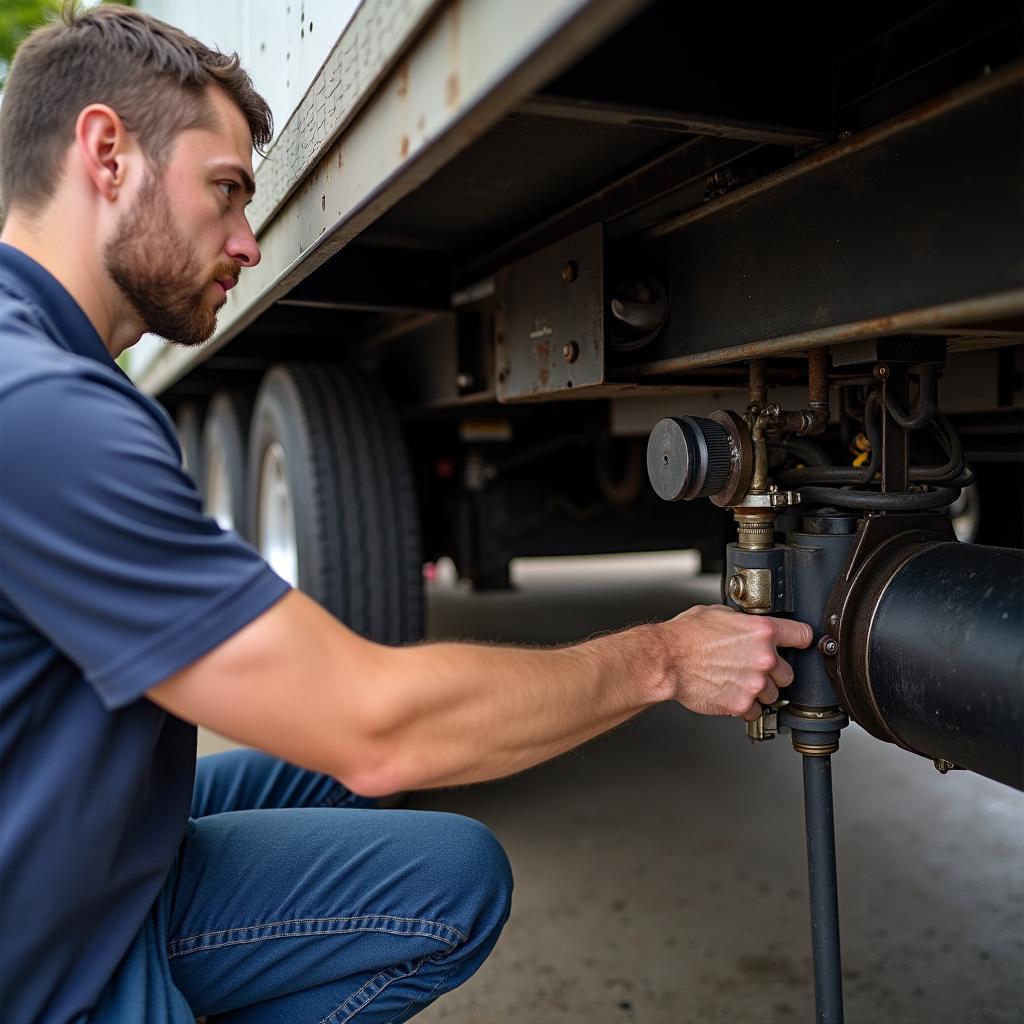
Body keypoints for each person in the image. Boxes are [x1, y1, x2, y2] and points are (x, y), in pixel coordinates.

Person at [0, 6, 813, 1022]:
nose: (250, 244)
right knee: (453, 876)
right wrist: (665, 656)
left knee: (332, 781)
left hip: (54, 852)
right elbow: (375, 725)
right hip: (48, 958)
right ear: (106, 153)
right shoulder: (39, 410)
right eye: (226, 192)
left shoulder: (39, 366)